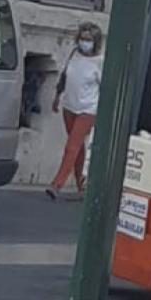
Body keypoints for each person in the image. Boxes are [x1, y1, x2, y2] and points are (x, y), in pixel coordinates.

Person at [46, 22, 103, 200]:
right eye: (82, 38)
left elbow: (104, 87)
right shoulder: (74, 54)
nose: (84, 42)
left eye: (88, 40)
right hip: (69, 106)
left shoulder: (99, 62)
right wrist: (57, 95)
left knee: (72, 146)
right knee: (77, 148)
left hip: (87, 109)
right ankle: (81, 185)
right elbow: (65, 76)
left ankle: (57, 184)